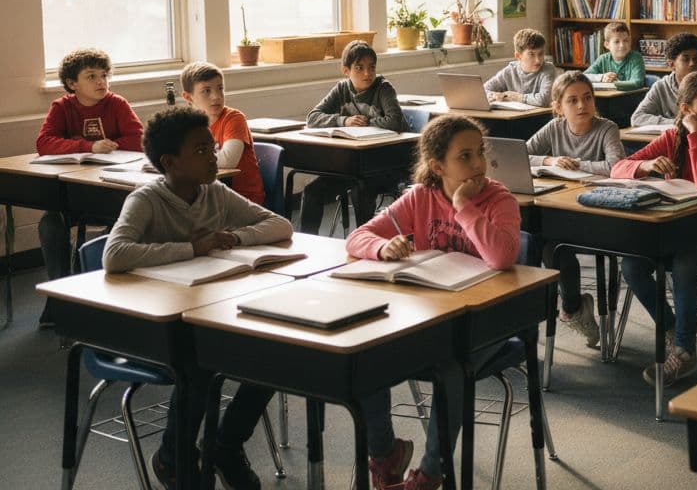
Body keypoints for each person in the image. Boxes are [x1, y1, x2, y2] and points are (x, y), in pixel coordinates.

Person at [103, 107, 292, 490]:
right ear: (170, 162)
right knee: (200, 364)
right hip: (152, 324)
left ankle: (225, 445)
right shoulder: (146, 199)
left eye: (213, 147)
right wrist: (192, 248)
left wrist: (235, 237)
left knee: (277, 355)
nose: (213, 156)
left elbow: (279, 225)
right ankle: (173, 457)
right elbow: (115, 255)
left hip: (206, 313)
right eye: (201, 150)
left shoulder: (215, 192)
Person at [346, 115, 521, 490]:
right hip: (433, 316)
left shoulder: (498, 199)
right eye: (465, 156)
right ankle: (385, 454)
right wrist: (382, 246)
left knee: (450, 367)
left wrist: (463, 205)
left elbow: (502, 256)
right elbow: (358, 237)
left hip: (488, 321)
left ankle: (430, 473)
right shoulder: (421, 196)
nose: (478, 163)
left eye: (480, 153)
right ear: (438, 166)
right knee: (365, 354)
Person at [612, 71, 697, 386]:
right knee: (632, 266)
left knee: (684, 263)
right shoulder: (671, 138)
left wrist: (696, 135)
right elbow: (618, 168)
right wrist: (645, 166)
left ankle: (684, 351)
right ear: (686, 108)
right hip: (674, 231)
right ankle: (671, 327)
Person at [35, 47, 144, 325]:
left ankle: (110, 299)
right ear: (72, 84)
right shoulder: (62, 107)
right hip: (76, 192)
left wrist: (110, 146)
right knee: (50, 222)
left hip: (113, 192)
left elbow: (138, 139)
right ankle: (59, 296)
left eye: (104, 75)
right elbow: (44, 143)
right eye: (91, 76)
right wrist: (87, 146)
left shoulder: (117, 104)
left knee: (128, 220)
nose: (101, 81)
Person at [526, 70, 624, 348]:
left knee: (553, 242)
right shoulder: (554, 127)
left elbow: (616, 166)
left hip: (599, 215)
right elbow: (523, 153)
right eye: (572, 100)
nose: (582, 105)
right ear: (558, 107)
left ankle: (570, 308)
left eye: (587, 98)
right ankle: (572, 308)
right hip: (563, 209)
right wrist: (550, 161)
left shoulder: (606, 128)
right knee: (545, 243)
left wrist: (577, 163)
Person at [301, 40, 408, 231]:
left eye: (371, 67)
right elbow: (312, 118)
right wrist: (344, 121)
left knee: (361, 188)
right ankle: (307, 241)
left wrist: (365, 122)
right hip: (352, 166)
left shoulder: (383, 88)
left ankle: (365, 240)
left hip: (386, 165)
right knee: (312, 191)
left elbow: (395, 122)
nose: (367, 73)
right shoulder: (341, 89)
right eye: (359, 68)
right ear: (346, 70)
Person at [179, 61, 264, 205]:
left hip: (242, 198)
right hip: (207, 195)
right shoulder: (187, 123)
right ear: (188, 97)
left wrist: (182, 162)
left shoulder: (234, 118)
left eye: (220, 88)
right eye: (207, 91)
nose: (216, 96)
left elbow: (228, 161)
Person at [631, 32, 697, 126]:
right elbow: (637, 118)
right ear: (671, 64)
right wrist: (679, 123)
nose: (692, 64)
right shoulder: (661, 87)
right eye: (686, 59)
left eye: (696, 59)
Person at [484, 28, 557, 107]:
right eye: (531, 54)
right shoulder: (509, 71)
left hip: (541, 114)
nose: (538, 60)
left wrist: (518, 97)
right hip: (514, 114)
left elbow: (544, 100)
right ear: (518, 56)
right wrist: (495, 95)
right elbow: (483, 90)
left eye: (541, 53)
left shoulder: (548, 69)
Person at [584, 21, 646, 89]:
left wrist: (613, 84)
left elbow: (637, 82)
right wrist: (602, 77)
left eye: (626, 40)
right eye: (617, 42)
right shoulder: (603, 59)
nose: (622, 45)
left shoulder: (636, 58)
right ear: (607, 45)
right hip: (608, 95)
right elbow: (584, 76)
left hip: (631, 95)